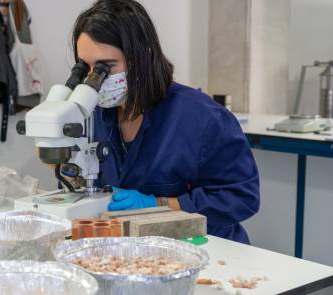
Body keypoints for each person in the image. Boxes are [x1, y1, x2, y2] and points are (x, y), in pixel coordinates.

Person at [69, 0, 259, 244]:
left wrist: (158, 205)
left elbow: (241, 197)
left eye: (106, 67)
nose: (94, 79)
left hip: (204, 250)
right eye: (86, 67)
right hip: (131, 251)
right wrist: (68, 168)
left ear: (141, 57)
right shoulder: (95, 114)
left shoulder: (202, 118)